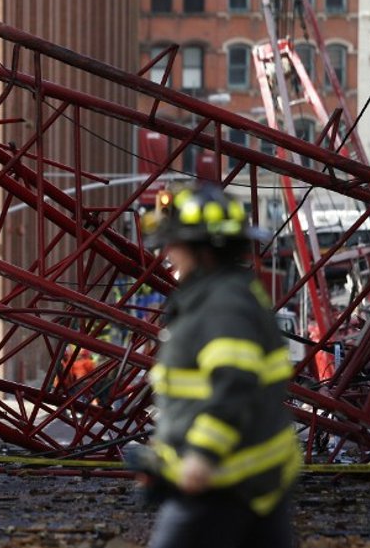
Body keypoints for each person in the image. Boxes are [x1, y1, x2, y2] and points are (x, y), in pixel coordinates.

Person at [140, 182, 301, 548]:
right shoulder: (221, 295)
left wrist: (201, 456)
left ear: (203, 251)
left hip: (224, 481)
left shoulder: (223, 304)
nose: (169, 254)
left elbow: (235, 384)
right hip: (251, 478)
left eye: (175, 245)